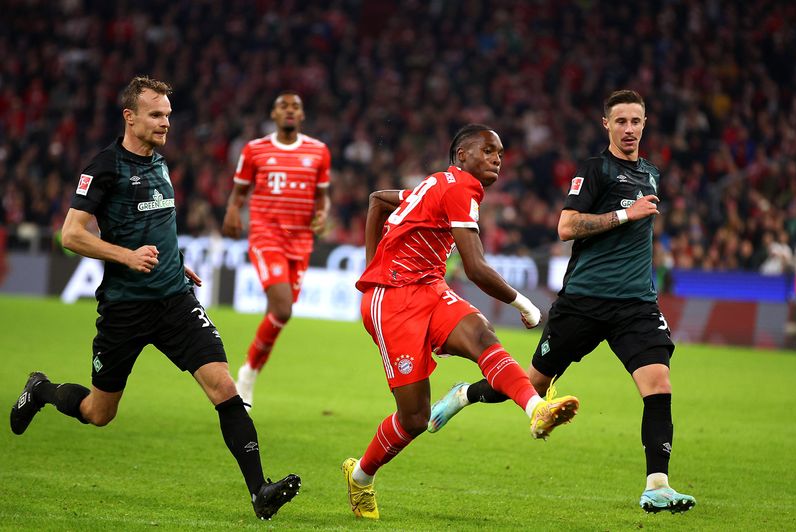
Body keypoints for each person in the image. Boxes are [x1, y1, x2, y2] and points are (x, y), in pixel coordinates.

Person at [8, 76, 300, 521]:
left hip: (175, 302)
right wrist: (126, 255)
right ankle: (41, 390)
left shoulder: (160, 164)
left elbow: (156, 226)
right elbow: (70, 234)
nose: (166, 122)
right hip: (125, 310)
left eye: (168, 114)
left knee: (224, 387)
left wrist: (175, 261)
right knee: (100, 412)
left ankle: (260, 489)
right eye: (156, 114)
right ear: (130, 117)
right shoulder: (104, 167)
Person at [427, 91, 697, 514]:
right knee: (532, 386)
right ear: (606, 124)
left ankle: (657, 485)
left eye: (636, 121)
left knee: (658, 384)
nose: (629, 129)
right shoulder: (595, 170)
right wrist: (626, 215)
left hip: (636, 304)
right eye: (621, 121)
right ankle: (464, 395)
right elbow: (566, 226)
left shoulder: (650, 173)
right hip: (583, 302)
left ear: (645, 124)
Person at [342, 124, 581, 520]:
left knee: (482, 336)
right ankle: (361, 477)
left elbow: (378, 200)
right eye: (487, 149)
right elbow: (475, 267)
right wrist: (526, 305)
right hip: (394, 302)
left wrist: (372, 264)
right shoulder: (458, 187)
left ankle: (537, 409)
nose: (497, 158)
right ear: (461, 156)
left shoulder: (440, 186)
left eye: (500, 153)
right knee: (414, 418)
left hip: (430, 290)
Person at [222, 91, 331, 411]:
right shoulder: (255, 150)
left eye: (295, 106)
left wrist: (323, 214)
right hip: (266, 236)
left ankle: (249, 369)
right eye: (283, 106)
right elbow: (239, 192)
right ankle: (249, 375)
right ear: (273, 113)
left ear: (302, 116)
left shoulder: (319, 152)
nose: (289, 110)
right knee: (282, 308)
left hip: (301, 241)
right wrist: (231, 211)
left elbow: (322, 198)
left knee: (278, 315)